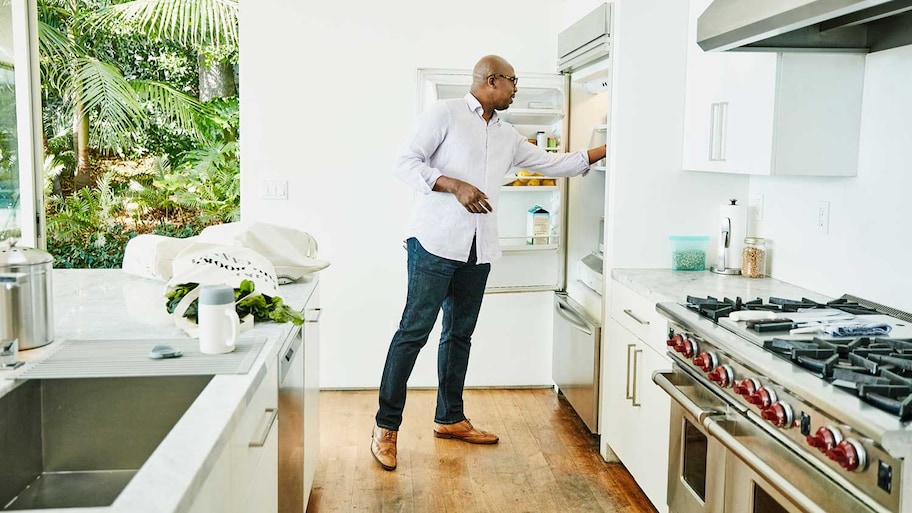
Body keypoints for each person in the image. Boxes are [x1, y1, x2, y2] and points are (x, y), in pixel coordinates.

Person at [371, 55, 607, 471]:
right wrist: (454, 185)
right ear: (491, 80)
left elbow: (554, 164)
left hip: (477, 249)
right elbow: (405, 164)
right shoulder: (444, 114)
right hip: (433, 243)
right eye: (513, 81)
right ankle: (385, 429)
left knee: (459, 335)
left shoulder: (507, 135)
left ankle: (450, 418)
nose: (517, 88)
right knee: (413, 333)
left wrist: (609, 147)